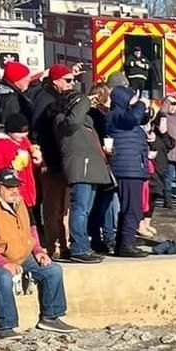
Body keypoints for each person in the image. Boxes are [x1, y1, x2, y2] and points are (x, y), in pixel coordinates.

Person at [0, 167, 76, 337]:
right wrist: (4, 263)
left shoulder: (20, 203)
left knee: (53, 270)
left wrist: (38, 251)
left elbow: (32, 229)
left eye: (16, 186)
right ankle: (6, 326)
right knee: (3, 277)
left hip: (20, 255)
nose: (14, 191)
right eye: (9, 187)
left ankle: (51, 317)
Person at [44, 64, 111, 263]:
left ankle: (83, 246)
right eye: (68, 81)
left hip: (90, 167)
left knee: (85, 209)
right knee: (79, 208)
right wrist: (84, 100)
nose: (72, 83)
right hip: (80, 167)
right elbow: (72, 123)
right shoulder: (61, 119)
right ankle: (79, 248)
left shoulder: (82, 121)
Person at [105, 85, 149, 257]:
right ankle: (126, 244)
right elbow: (134, 118)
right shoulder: (118, 115)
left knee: (130, 207)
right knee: (132, 208)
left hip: (131, 166)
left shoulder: (119, 115)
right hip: (127, 168)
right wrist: (141, 104)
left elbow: (139, 119)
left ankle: (123, 241)